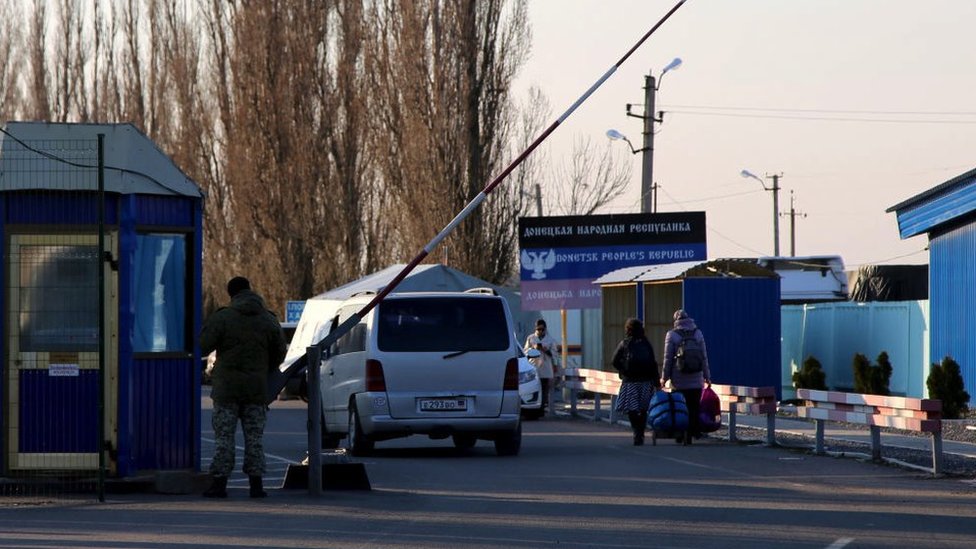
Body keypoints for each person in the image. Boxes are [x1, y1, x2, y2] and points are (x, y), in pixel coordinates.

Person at [200, 276, 287, 498]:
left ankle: (219, 485)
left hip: (226, 390)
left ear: (231, 294)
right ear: (250, 291)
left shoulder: (223, 318)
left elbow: (203, 344)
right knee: (255, 438)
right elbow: (279, 353)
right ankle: (256, 486)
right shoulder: (268, 320)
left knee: (224, 437)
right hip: (256, 390)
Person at [661, 309, 711, 445]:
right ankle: (692, 432)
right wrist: (707, 377)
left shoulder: (671, 335)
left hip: (678, 381)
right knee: (693, 407)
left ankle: (680, 433)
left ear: (675, 321)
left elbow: (668, 360)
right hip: (696, 380)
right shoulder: (698, 334)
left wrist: (664, 378)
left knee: (679, 408)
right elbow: (704, 358)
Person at [611, 318, 659, 446]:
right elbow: (653, 363)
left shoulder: (625, 343)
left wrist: (623, 371)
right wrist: (657, 382)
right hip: (646, 381)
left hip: (630, 381)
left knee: (631, 409)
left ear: (628, 329)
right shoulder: (646, 343)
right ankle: (640, 432)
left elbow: (614, 361)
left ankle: (636, 432)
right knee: (643, 409)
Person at [524, 318, 559, 415]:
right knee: (533, 388)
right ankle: (532, 409)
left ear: (545, 329)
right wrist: (534, 348)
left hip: (545, 368)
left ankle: (541, 409)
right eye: (538, 329)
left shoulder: (550, 340)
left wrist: (545, 349)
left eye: (542, 329)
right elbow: (525, 352)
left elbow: (555, 354)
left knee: (544, 390)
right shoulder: (531, 338)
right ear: (535, 329)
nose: (540, 331)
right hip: (533, 368)